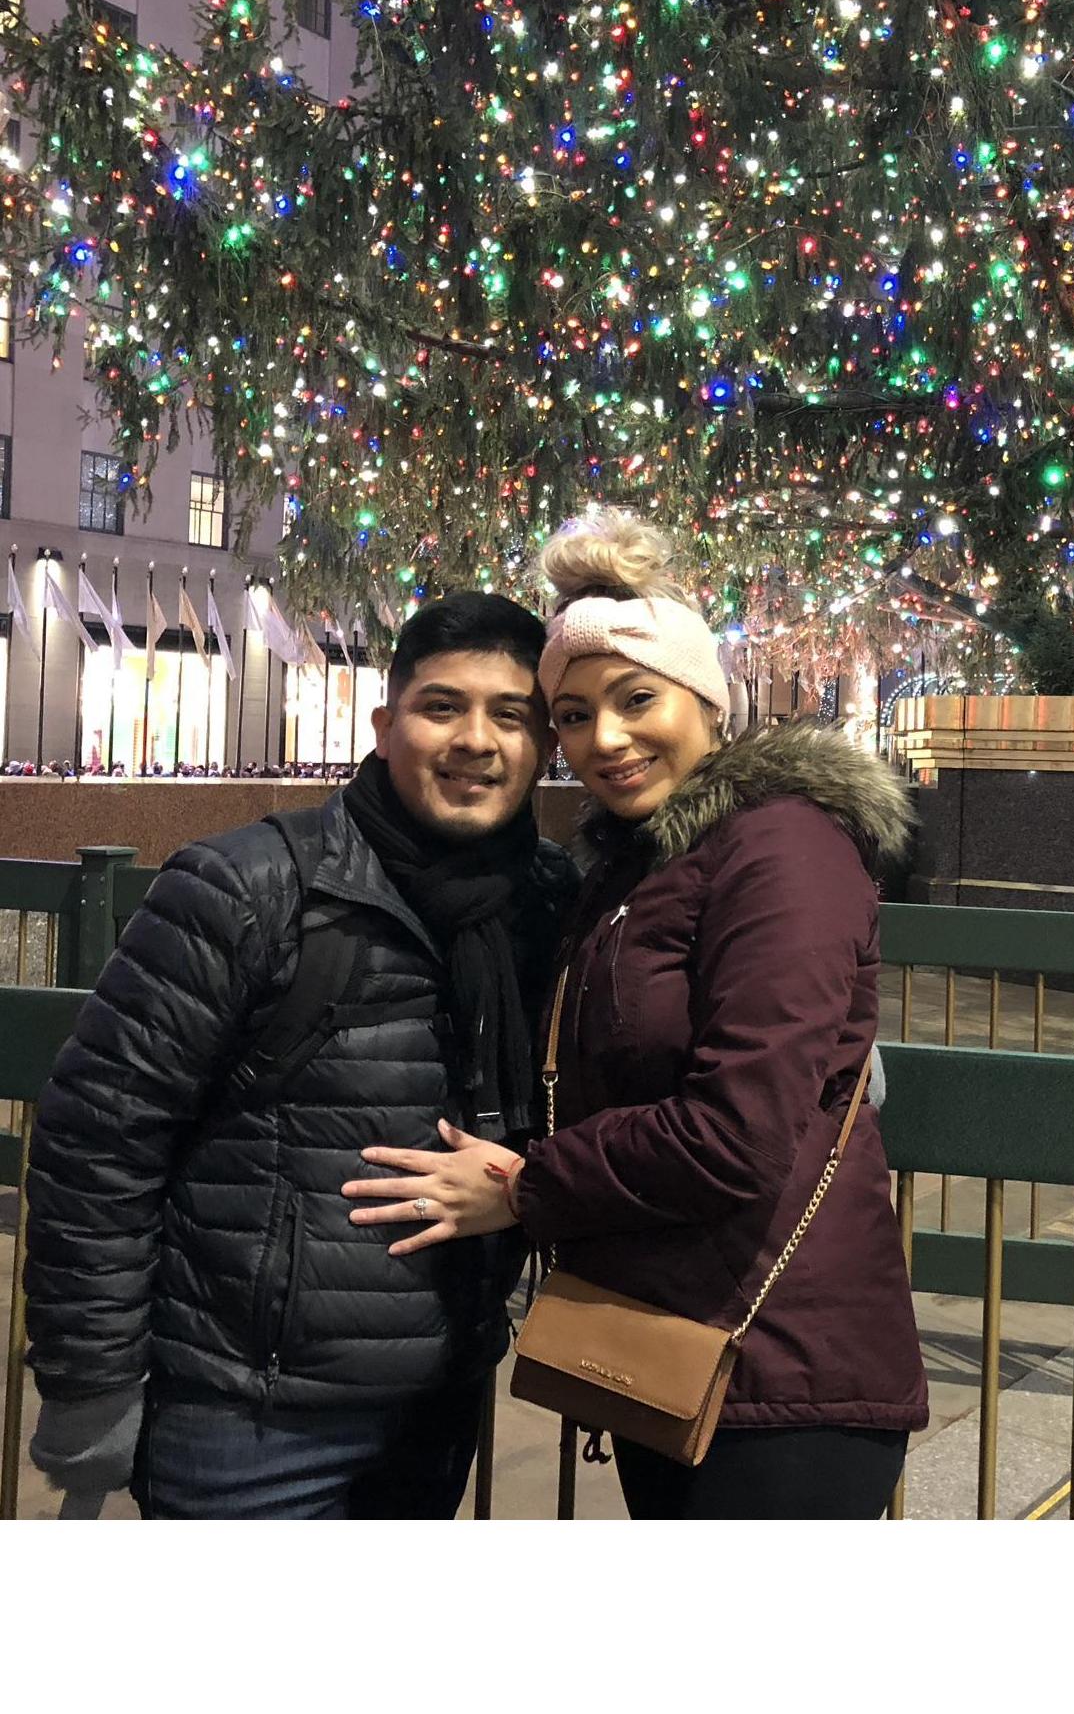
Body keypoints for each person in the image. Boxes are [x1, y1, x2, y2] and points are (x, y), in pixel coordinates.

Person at [349, 510, 929, 1519]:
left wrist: (530, 1187)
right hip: (679, 1350)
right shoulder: (641, 865)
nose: (604, 739)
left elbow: (736, 1131)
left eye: (635, 699)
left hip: (784, 1377)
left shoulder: (780, 844)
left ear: (706, 699)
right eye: (571, 715)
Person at [24, 593, 577, 1518]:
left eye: (509, 714)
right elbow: (97, 1143)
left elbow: (666, 1008)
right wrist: (91, 1387)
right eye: (442, 706)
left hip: (439, 1401)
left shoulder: (550, 900)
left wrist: (821, 1038)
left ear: (543, 747)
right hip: (249, 1417)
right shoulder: (246, 886)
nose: (475, 739)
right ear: (384, 722)